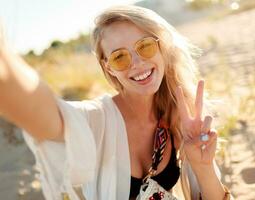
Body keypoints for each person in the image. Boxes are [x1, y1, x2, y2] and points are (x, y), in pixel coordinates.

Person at [0, 5, 233, 200]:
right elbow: (47, 116)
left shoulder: (178, 116)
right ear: (108, 67)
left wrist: (203, 166)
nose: (137, 62)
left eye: (145, 46)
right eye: (120, 56)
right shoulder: (96, 120)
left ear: (162, 48)